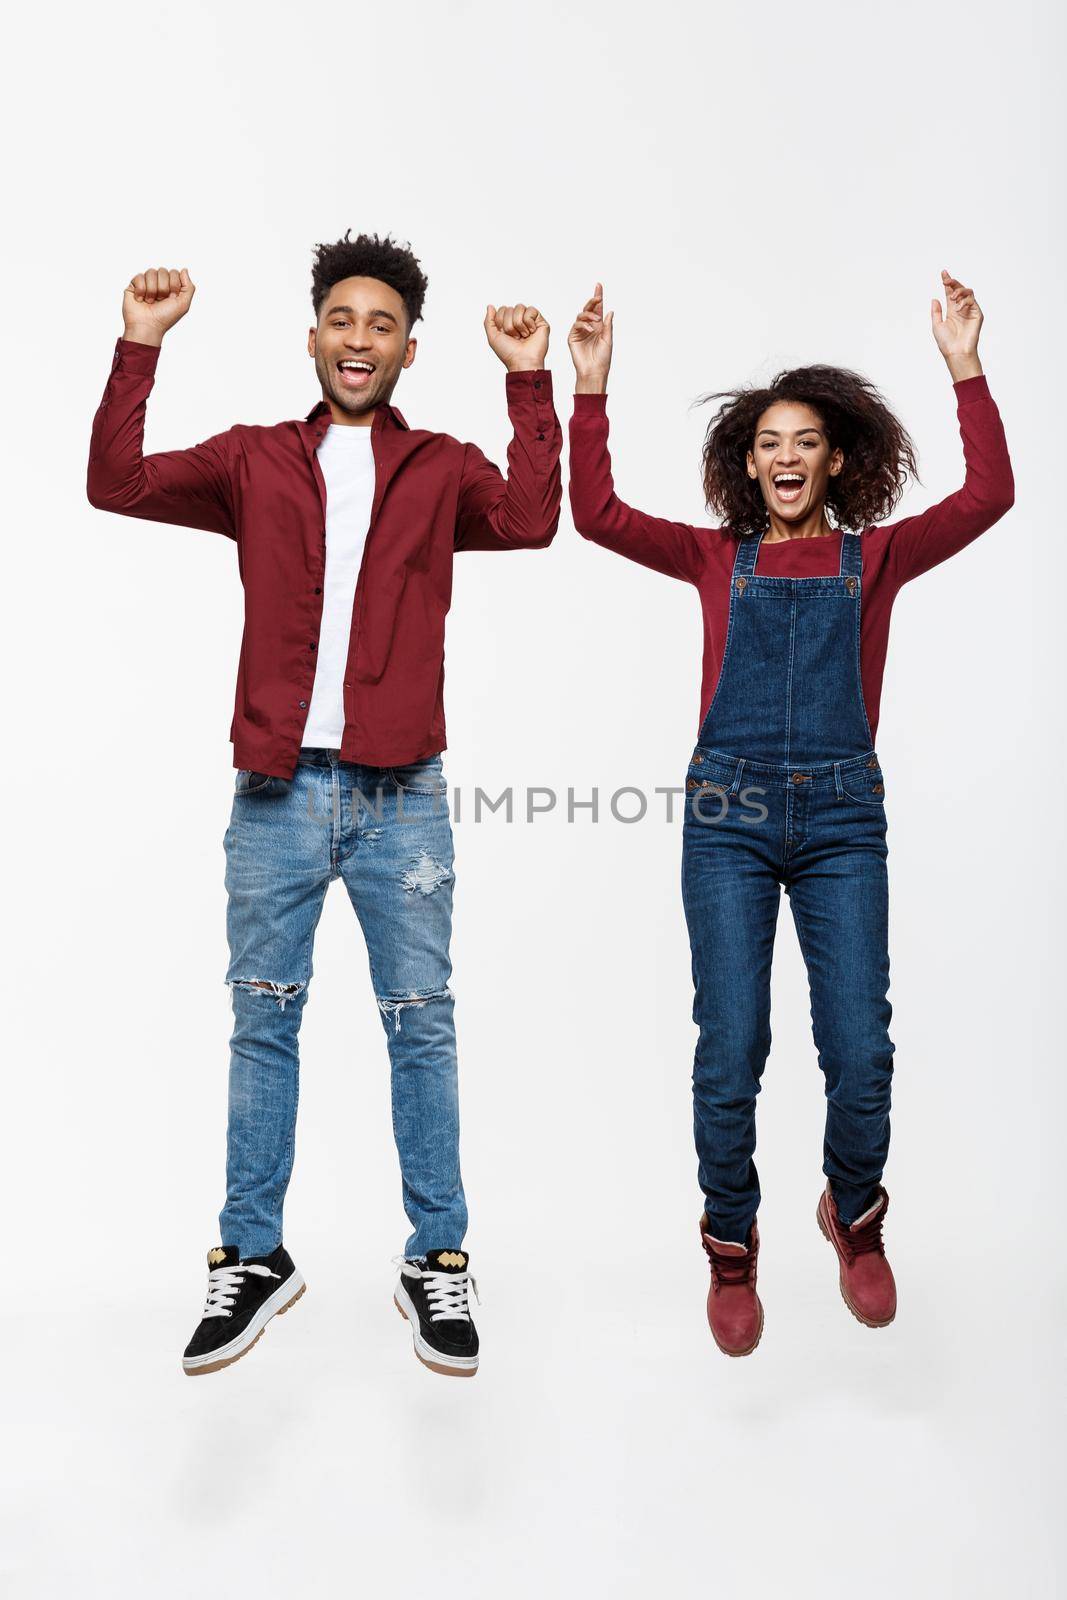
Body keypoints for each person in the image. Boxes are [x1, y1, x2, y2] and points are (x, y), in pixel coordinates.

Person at [87, 232, 562, 1378]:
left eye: (381, 323)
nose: (359, 339)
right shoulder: (253, 459)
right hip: (277, 792)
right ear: (313, 337)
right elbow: (120, 482)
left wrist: (529, 381)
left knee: (421, 1023)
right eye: (341, 319)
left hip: (403, 795)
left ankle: (435, 1257)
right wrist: (139, 347)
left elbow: (536, 517)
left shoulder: (442, 466)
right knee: (263, 1022)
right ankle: (252, 1254)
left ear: (407, 346)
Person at [566, 271, 1013, 1355]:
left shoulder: (879, 556)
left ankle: (851, 1215)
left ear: (833, 460)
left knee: (858, 1047)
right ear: (743, 459)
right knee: (730, 1045)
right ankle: (730, 1242)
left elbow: (987, 495)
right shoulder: (715, 558)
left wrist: (963, 366)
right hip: (723, 815)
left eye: (802, 440)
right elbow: (595, 515)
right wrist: (588, 389)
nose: (782, 455)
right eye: (766, 439)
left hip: (841, 822)